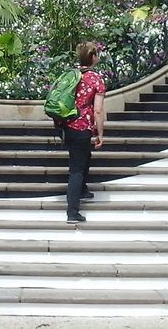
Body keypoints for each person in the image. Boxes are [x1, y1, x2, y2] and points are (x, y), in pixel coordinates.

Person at [59, 41, 105, 223]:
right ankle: (72, 212)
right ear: (93, 57)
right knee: (76, 170)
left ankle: (83, 190)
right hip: (82, 127)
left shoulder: (71, 75)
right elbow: (99, 110)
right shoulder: (96, 79)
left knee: (84, 157)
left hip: (67, 124)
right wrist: (100, 133)